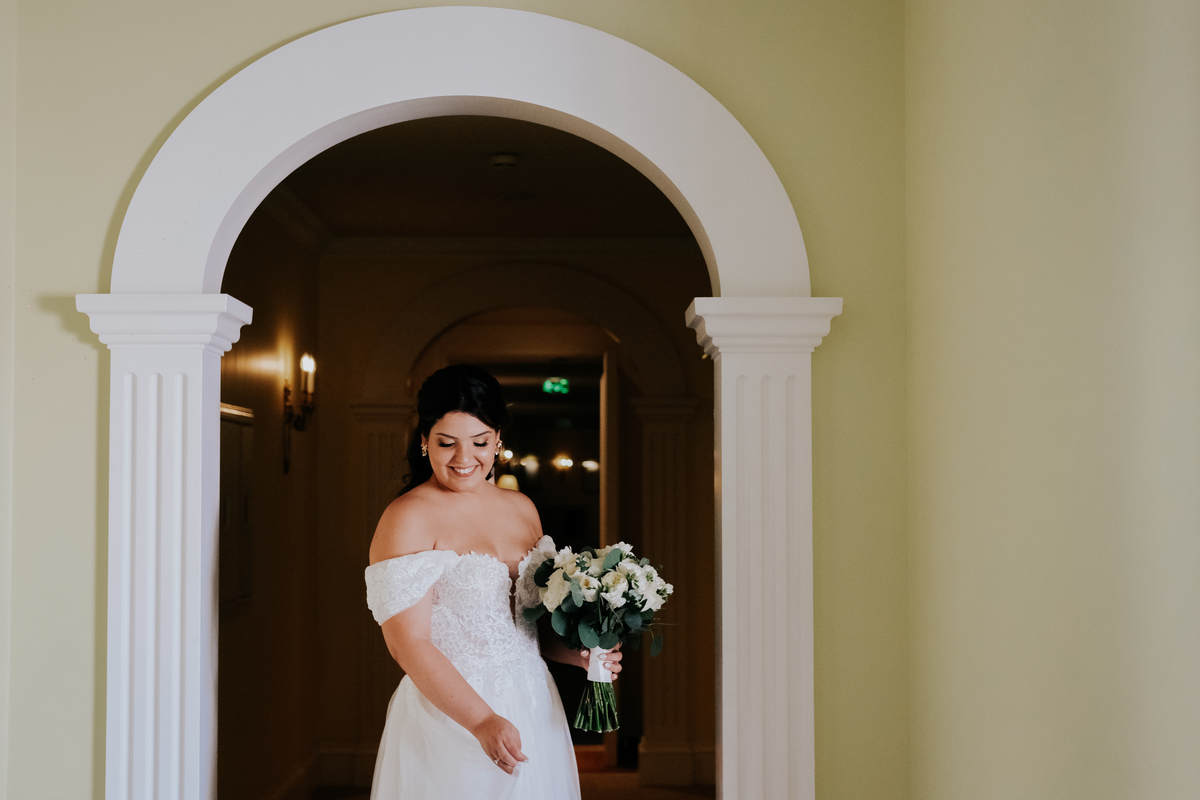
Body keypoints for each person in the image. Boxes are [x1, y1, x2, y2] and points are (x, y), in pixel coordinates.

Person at [365, 364, 622, 799]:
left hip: (533, 703)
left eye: (480, 442)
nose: (464, 459)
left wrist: (580, 653)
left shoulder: (522, 508)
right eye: (447, 442)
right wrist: (481, 720)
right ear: (424, 439)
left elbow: (529, 625)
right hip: (453, 715)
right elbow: (408, 644)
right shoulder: (407, 517)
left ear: (498, 438)